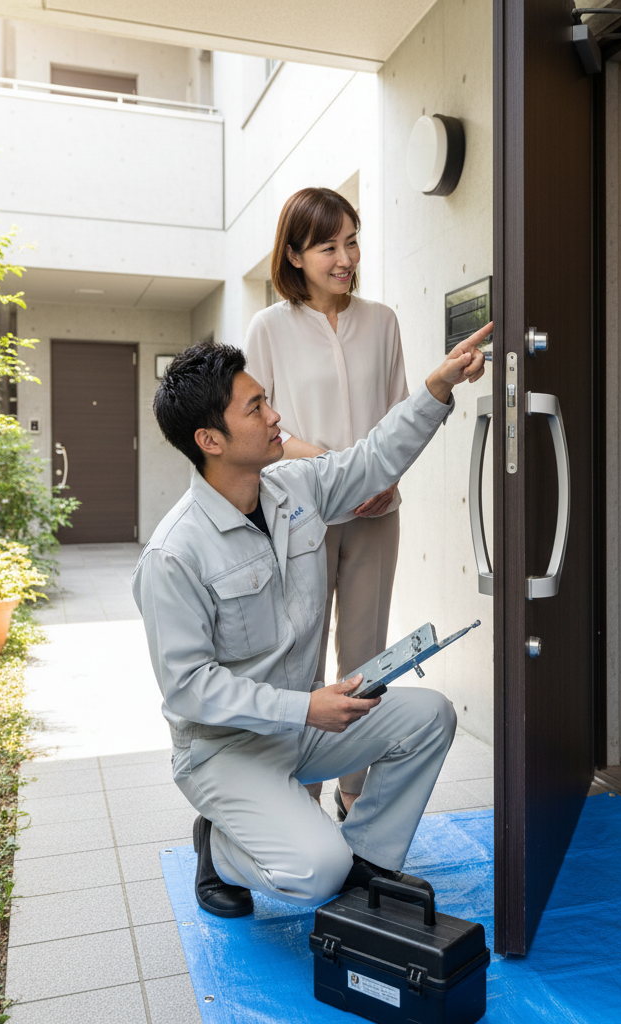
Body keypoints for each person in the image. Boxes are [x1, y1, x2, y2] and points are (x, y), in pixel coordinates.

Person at [131, 322, 490, 917]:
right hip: (226, 750)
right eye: (256, 407)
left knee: (429, 715)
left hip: (301, 725)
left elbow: (371, 461)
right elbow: (189, 688)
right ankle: (219, 849)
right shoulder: (174, 554)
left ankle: (367, 860)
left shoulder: (292, 487)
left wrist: (438, 386)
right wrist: (306, 707)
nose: (275, 417)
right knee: (312, 873)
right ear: (210, 440)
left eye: (266, 400)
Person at [244, 187, 407, 821]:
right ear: (293, 254)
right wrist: (333, 464)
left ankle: (354, 792)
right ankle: (299, 793)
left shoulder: (383, 320)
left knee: (366, 656)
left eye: (352, 241)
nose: (346, 258)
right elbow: (260, 427)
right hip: (302, 515)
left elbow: (400, 413)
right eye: (327, 246)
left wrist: (386, 476)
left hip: (377, 514)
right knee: (301, 656)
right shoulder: (269, 328)